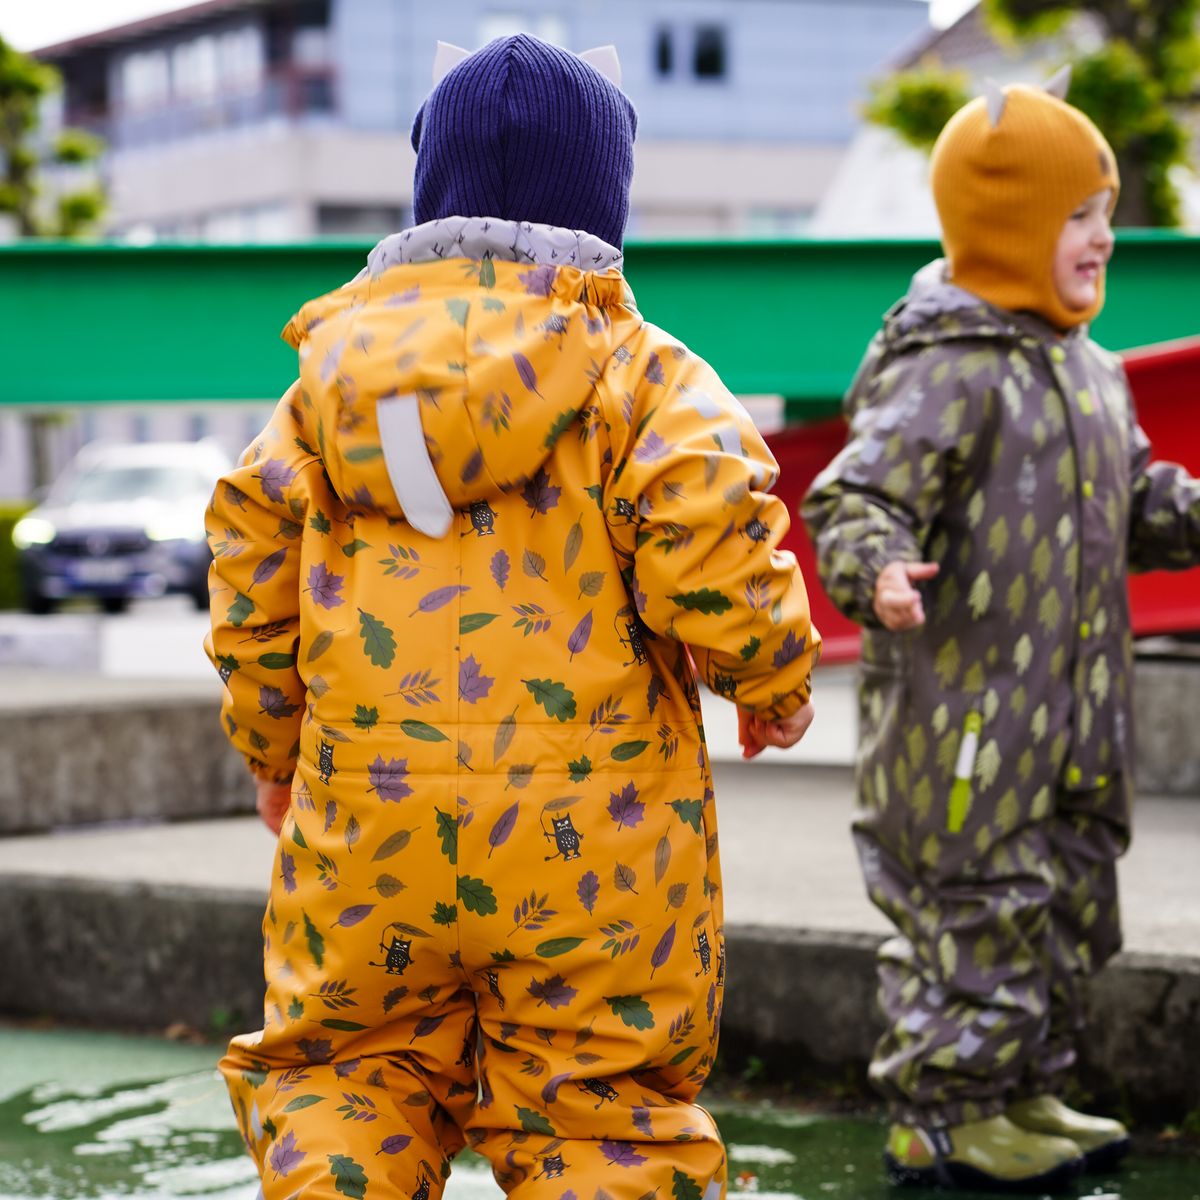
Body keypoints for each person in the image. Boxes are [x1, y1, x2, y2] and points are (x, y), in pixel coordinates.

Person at [206, 34, 818, 1200]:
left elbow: (249, 560)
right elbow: (715, 525)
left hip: (364, 841)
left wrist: (271, 752)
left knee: (348, 1080)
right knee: (602, 1121)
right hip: (598, 851)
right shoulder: (640, 373)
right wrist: (770, 681)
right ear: (608, 204)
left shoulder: (322, 386)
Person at [803, 74, 1200, 1193]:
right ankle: (941, 1113)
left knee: (1069, 903)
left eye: (1105, 211)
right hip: (965, 725)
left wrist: (1188, 509)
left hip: (1076, 720)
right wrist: (876, 568)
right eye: (1080, 214)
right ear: (1011, 223)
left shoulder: (1091, 371)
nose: (1104, 236)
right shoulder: (949, 367)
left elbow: (1133, 502)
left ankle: (1026, 1084)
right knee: (974, 909)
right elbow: (853, 495)